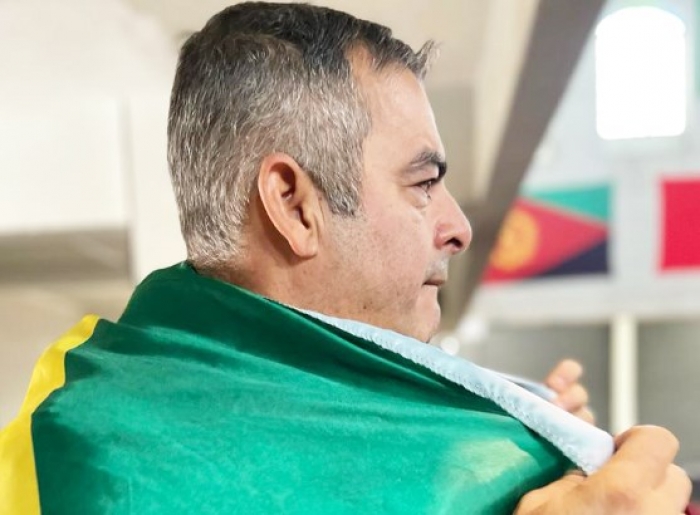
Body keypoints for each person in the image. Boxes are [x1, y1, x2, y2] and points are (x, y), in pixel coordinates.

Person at [0, 2, 690, 514]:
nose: (458, 228)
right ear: (294, 206)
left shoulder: (80, 391)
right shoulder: (116, 474)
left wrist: (507, 425)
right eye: (423, 184)